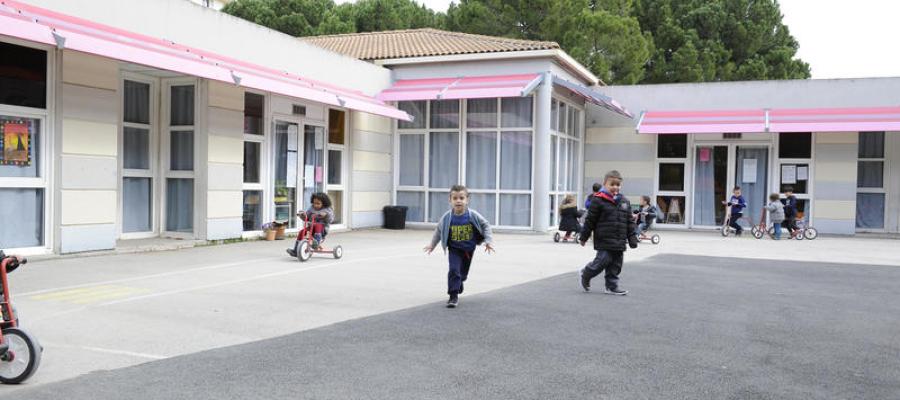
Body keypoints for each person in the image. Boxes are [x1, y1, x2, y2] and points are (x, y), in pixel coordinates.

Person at [424, 185, 495, 308]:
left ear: (467, 200)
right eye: (455, 198)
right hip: (454, 249)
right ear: (450, 200)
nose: (458, 201)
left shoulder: (472, 215)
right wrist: (432, 245)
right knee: (454, 270)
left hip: (468, 250)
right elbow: (439, 231)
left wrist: (488, 241)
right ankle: (453, 295)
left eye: (461, 198)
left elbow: (486, 225)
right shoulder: (447, 217)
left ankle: (459, 281)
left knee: (463, 274)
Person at [579, 170, 638, 295]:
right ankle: (586, 273)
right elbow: (590, 220)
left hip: (619, 240)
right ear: (605, 184)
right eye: (612, 184)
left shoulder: (624, 201)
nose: (615, 187)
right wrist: (584, 237)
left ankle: (611, 286)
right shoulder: (598, 200)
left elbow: (629, 221)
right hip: (604, 239)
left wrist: (632, 237)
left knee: (616, 265)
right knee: (602, 261)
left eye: (618, 184)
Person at [286, 192, 333, 257]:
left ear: (324, 203)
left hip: (322, 230)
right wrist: (302, 215)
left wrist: (326, 215)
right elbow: (306, 217)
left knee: (317, 225)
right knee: (301, 232)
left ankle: (316, 242)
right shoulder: (311, 208)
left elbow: (330, 220)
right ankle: (296, 250)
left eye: (318, 203)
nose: (315, 205)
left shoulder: (327, 209)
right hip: (311, 228)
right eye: (314, 203)